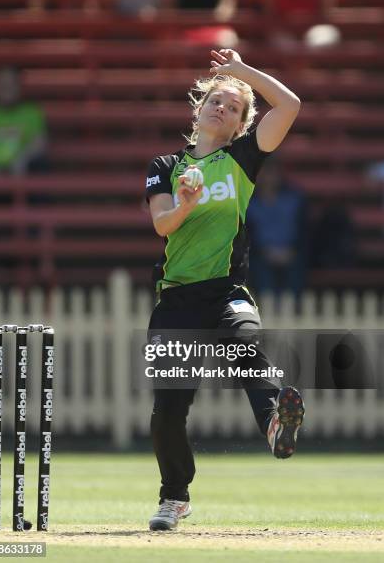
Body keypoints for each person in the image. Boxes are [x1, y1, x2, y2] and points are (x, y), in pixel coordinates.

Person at [145, 48, 305, 531]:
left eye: (233, 107)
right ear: (198, 108)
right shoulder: (166, 165)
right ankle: (174, 497)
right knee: (168, 412)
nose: (222, 108)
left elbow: (290, 105)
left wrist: (240, 73)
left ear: (239, 126)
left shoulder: (242, 158)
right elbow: (162, 225)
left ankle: (275, 421)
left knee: (246, 340)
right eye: (216, 100)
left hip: (226, 289)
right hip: (176, 299)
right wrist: (186, 204)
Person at [246, 158, 308, 297]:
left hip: (292, 253)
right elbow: (247, 235)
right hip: (260, 255)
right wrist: (264, 252)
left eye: (271, 173)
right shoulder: (248, 201)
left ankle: (295, 314)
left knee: (296, 275)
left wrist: (292, 251)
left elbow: (304, 231)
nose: (268, 178)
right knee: (261, 276)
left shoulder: (295, 199)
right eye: (264, 173)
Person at [0, 67, 48, 175]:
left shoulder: (31, 112)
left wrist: (23, 159)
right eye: (2, 84)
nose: (6, 88)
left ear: (19, 86)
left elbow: (39, 143)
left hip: (22, 170)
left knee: (41, 165)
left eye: (11, 84)